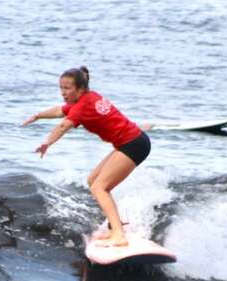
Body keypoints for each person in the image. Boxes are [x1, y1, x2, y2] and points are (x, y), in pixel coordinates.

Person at [23, 66, 150, 247]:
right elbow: (60, 111)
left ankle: (119, 235)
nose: (63, 92)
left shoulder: (82, 106)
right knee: (93, 181)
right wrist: (37, 116)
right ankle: (116, 226)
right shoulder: (88, 97)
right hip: (132, 142)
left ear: (80, 89)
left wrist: (47, 143)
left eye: (67, 88)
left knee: (100, 187)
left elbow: (62, 126)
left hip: (133, 144)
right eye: (61, 88)